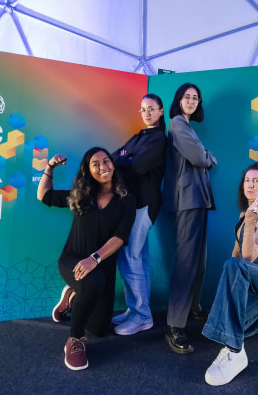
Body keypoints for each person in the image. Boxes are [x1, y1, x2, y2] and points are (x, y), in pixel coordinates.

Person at [37, 147, 135, 371]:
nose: (103, 167)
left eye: (106, 161)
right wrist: (50, 167)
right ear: (88, 170)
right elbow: (44, 196)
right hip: (72, 260)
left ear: (113, 164)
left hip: (102, 267)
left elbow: (120, 237)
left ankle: (72, 297)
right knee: (93, 281)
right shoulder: (81, 194)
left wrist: (95, 259)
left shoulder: (126, 199)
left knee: (99, 329)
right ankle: (74, 340)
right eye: (95, 164)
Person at [201, 162, 258, 386]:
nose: (250, 185)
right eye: (247, 181)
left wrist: (251, 221)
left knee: (234, 270)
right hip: (250, 283)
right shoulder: (244, 214)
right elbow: (236, 253)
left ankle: (235, 351)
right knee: (230, 317)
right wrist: (228, 296)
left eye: (256, 181)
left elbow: (248, 257)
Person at [162, 83, 217, 354]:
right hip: (188, 200)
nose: (192, 101)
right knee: (186, 262)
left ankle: (193, 308)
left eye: (196, 98)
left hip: (198, 199)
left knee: (199, 260)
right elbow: (198, 157)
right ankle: (174, 325)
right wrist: (209, 157)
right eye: (187, 97)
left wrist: (205, 156)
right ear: (179, 100)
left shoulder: (187, 126)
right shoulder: (177, 123)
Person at [110, 94, 167, 335]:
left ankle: (142, 316)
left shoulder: (159, 139)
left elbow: (136, 167)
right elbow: (113, 158)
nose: (147, 113)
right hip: (133, 203)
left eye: (151, 109)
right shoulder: (139, 136)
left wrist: (127, 158)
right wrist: (126, 157)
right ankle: (137, 309)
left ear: (161, 111)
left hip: (145, 203)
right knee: (138, 259)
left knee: (130, 258)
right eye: (143, 109)